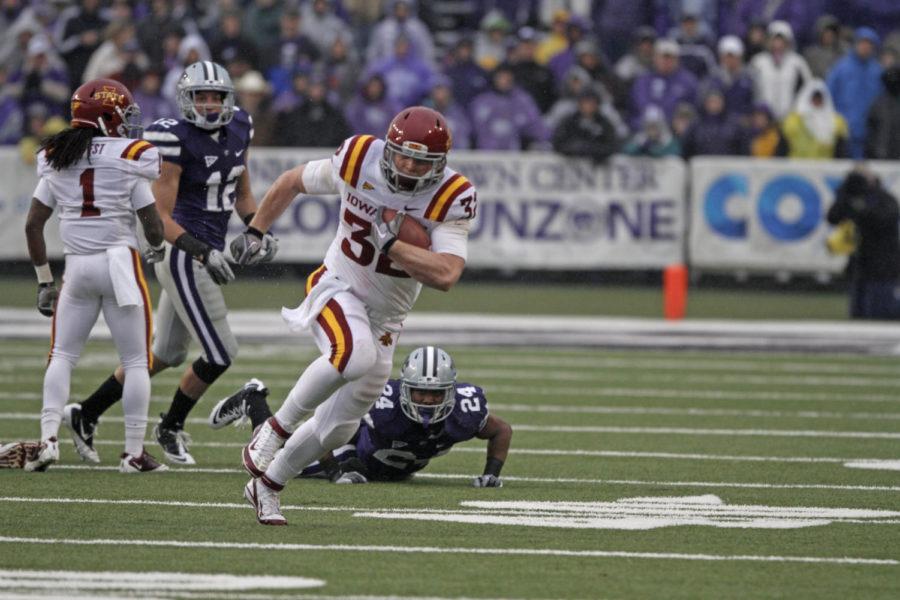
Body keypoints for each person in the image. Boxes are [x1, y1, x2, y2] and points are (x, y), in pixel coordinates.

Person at [229, 105, 477, 525]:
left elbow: (448, 274)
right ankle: (273, 428)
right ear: (388, 149)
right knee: (353, 354)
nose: (411, 167)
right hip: (338, 286)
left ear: (440, 165)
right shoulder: (359, 157)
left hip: (387, 319)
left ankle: (267, 486)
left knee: (339, 429)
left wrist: (393, 245)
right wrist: (256, 230)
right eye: (404, 155)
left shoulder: (452, 195)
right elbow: (292, 182)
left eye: (423, 161)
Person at [63, 61, 276, 466]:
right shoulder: (174, 138)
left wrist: (257, 230)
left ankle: (85, 412)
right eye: (201, 97)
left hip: (202, 251)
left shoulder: (241, 126)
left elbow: (242, 192)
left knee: (166, 352)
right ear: (186, 100)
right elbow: (161, 218)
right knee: (220, 352)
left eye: (217, 96)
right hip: (182, 252)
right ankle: (171, 426)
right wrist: (203, 251)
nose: (210, 105)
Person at [23, 78, 167, 473]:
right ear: (106, 115)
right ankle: (133, 453)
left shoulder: (57, 155)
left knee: (62, 356)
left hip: (77, 267)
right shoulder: (130, 157)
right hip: (119, 263)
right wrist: (156, 247)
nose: (127, 124)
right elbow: (153, 227)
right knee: (137, 361)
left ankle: (48, 439)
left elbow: (33, 225)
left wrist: (44, 281)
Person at [209, 346, 512, 486]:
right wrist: (335, 471)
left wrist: (491, 474)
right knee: (273, 462)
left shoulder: (464, 411)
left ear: (450, 392)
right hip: (350, 452)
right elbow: (325, 427)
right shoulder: (383, 402)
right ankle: (254, 401)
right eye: (421, 392)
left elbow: (501, 430)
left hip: (384, 469)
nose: (429, 400)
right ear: (406, 390)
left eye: (436, 393)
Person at [826, 167, 900, 320]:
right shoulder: (851, 198)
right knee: (858, 314)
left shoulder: (883, 199)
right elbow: (832, 217)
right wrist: (846, 194)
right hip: (860, 266)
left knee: (880, 313)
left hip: (882, 266)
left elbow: (883, 220)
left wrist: (860, 206)